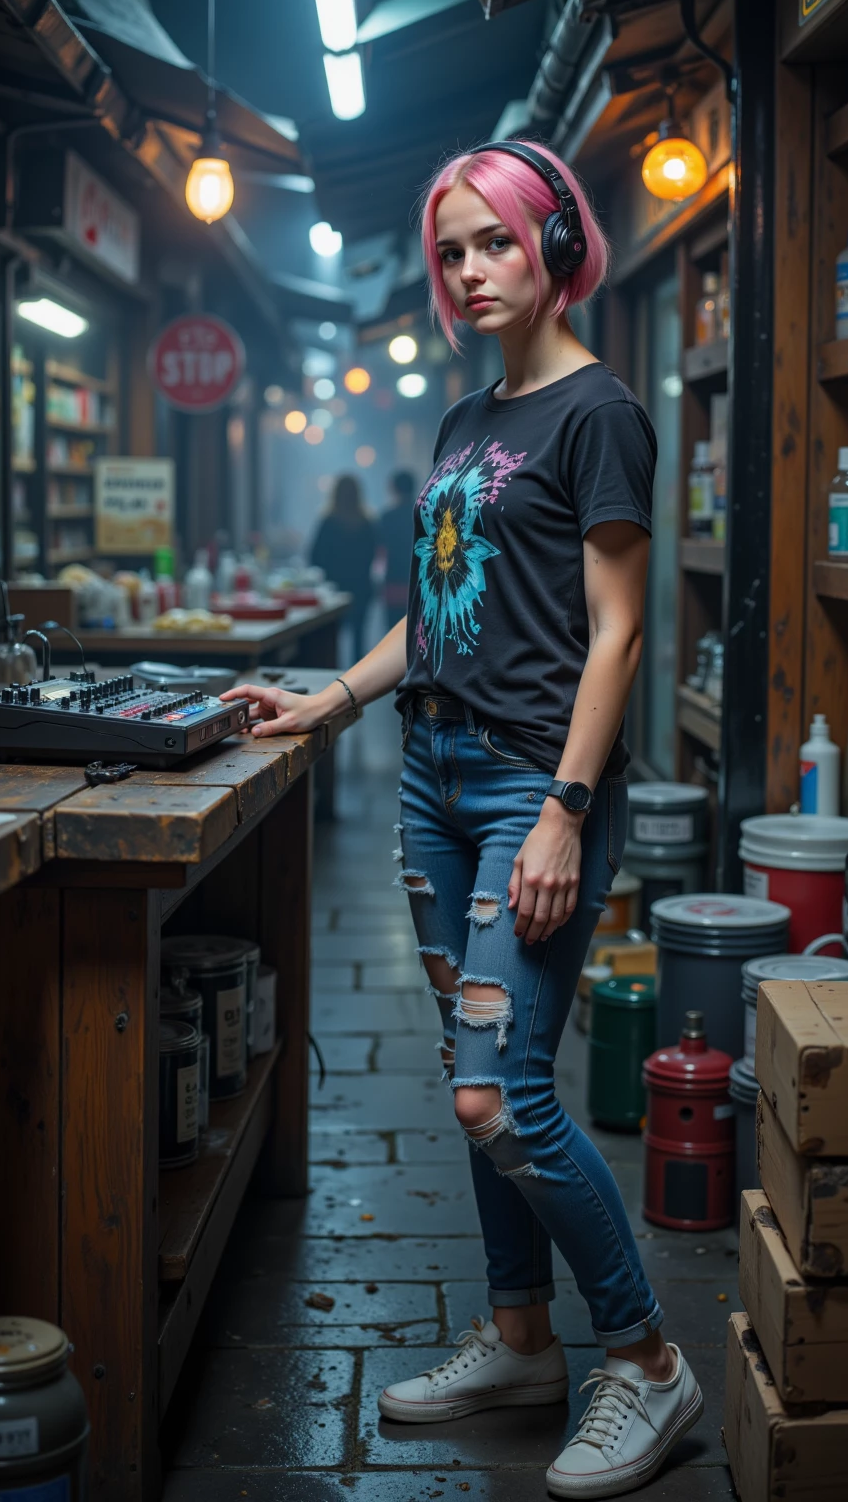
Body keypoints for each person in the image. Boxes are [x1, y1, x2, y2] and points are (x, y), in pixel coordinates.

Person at [222, 139, 700, 1498]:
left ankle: (650, 1365)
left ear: (557, 244)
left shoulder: (599, 412)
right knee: (468, 1084)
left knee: (504, 1093)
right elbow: (431, 613)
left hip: (523, 792)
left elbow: (616, 638)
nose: (470, 269)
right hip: (433, 785)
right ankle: (518, 1339)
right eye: (451, 250)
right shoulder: (464, 423)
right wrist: (329, 699)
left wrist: (563, 811)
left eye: (494, 240)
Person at [309, 473, 376, 666]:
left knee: (331, 643)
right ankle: (361, 684)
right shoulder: (367, 524)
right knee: (359, 640)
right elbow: (373, 554)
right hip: (362, 587)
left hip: (334, 590)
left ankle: (335, 685)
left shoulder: (328, 522)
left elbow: (314, 556)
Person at [377, 468, 417, 624]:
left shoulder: (387, 517)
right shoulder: (422, 514)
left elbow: (380, 551)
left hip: (393, 583)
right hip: (418, 582)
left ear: (393, 488)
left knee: (392, 631)